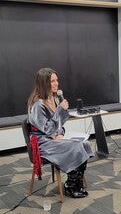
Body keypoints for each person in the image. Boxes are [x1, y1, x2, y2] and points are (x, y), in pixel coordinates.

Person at [27, 67, 94, 198]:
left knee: (84, 144)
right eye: (52, 81)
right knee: (76, 146)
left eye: (56, 80)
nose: (56, 84)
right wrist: (60, 111)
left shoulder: (54, 98)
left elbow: (59, 125)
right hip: (43, 142)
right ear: (43, 83)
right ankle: (71, 186)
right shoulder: (37, 105)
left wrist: (61, 133)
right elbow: (47, 129)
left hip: (54, 138)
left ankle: (74, 182)